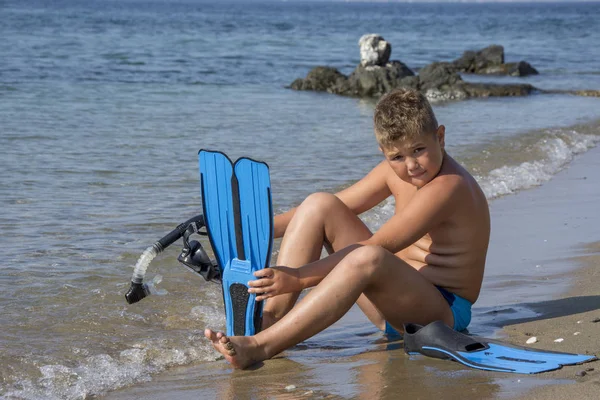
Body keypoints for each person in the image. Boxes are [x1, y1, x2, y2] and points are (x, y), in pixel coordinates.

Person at [204, 88, 491, 369]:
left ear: (439, 137)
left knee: (369, 257)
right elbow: (322, 210)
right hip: (390, 299)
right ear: (384, 152)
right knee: (319, 204)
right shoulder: (395, 171)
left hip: (440, 313)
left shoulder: (448, 186)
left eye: (419, 150)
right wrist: (240, 227)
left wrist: (298, 278)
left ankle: (259, 347)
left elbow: (380, 246)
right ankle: (268, 322)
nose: (411, 165)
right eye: (397, 157)